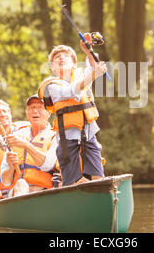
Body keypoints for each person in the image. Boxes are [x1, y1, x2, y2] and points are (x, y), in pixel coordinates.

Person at [37, 34, 107, 186]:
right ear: (52, 68)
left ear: (74, 64)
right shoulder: (51, 85)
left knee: (98, 176)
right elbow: (70, 92)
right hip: (66, 138)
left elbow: (94, 66)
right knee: (72, 181)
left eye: (65, 57)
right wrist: (93, 75)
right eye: (56, 59)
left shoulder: (82, 76)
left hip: (89, 133)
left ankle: (100, 193)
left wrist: (88, 49)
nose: (61, 58)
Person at [1, 94, 61, 193]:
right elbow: (5, 181)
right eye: (32, 108)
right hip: (18, 191)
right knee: (21, 185)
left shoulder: (55, 136)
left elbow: (47, 165)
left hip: (45, 191)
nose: (35, 111)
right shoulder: (16, 136)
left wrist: (26, 145)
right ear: (27, 112)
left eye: (40, 107)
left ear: (49, 112)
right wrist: (11, 166)